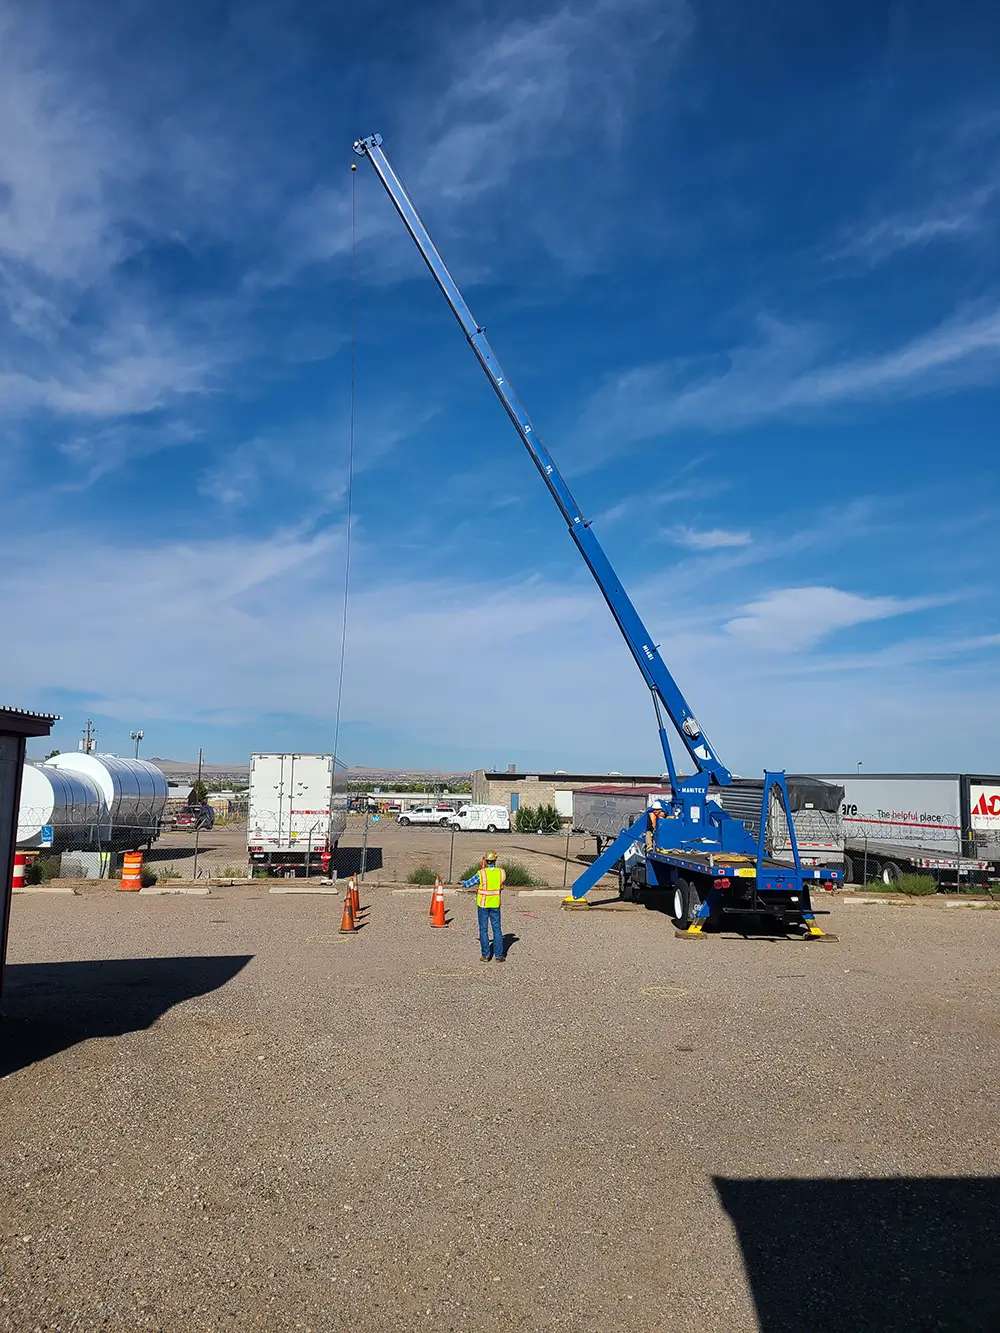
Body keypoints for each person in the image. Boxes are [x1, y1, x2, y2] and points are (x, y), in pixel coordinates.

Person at [463, 852, 506, 962]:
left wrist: (463, 883)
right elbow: (501, 883)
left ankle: (486, 955)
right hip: (495, 903)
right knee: (497, 929)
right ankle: (499, 956)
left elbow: (468, 883)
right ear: (495, 860)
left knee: (483, 929)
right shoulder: (501, 872)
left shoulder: (481, 873)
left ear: (486, 861)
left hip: (483, 904)